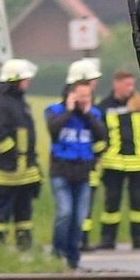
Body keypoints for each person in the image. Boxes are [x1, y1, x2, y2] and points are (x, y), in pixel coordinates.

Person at [93, 70, 140, 250]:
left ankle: (139, 239)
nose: (130, 88)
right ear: (116, 84)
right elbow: (97, 133)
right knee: (111, 205)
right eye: (127, 84)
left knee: (138, 204)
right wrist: (98, 154)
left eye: (132, 84)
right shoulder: (104, 106)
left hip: (137, 164)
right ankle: (108, 239)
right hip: (112, 163)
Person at [42, 79, 106, 270]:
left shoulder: (93, 114)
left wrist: (87, 115)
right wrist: (69, 110)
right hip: (61, 171)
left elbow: (102, 134)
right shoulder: (54, 111)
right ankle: (58, 250)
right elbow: (53, 130)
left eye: (88, 95)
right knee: (65, 212)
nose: (85, 99)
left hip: (83, 173)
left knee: (79, 218)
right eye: (81, 95)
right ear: (71, 94)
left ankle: (73, 257)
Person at [0, 58, 40, 251]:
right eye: (26, 78)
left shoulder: (19, 102)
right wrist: (13, 155)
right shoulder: (1, 103)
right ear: (15, 80)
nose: (29, 82)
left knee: (24, 211)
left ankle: (24, 246)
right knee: (3, 209)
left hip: (24, 170)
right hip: (8, 171)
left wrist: (30, 162)